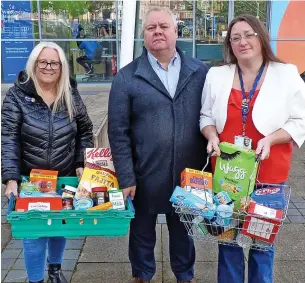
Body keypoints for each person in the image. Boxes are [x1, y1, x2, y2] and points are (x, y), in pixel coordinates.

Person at [200, 14, 305, 283]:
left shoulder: (286, 74)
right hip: (228, 173)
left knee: (262, 241)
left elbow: (300, 120)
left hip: (268, 172)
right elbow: (206, 117)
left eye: (248, 34)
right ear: (229, 45)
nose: (242, 41)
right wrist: (211, 136)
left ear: (261, 36)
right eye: (235, 38)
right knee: (228, 240)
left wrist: (270, 139)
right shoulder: (216, 75)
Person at [108, 7, 209, 283]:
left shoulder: (200, 72)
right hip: (144, 175)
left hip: (188, 174)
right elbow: (118, 132)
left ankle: (185, 277)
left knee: (184, 234)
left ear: (176, 32)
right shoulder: (126, 77)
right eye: (151, 28)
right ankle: (142, 275)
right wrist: (126, 176)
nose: (158, 32)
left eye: (164, 26)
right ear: (144, 35)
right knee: (141, 234)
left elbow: (212, 117)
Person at [1, 42, 93, 283]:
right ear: (34, 64)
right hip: (30, 180)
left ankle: (54, 270)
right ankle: (35, 279)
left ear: (61, 67)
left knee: (60, 226)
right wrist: (10, 179)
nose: (48, 67)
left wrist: (81, 161)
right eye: (43, 62)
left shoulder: (70, 93)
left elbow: (85, 130)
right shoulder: (17, 95)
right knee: (33, 233)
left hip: (63, 177)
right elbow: (8, 137)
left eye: (54, 62)